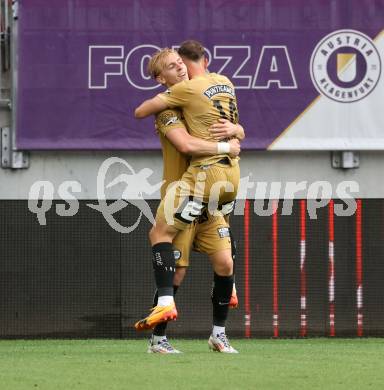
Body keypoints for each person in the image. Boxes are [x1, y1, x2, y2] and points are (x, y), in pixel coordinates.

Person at [134, 43, 242, 352]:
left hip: (207, 194)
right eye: (170, 66)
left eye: (179, 62)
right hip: (184, 189)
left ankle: (218, 335)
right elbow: (186, 145)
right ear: (160, 79)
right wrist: (227, 147)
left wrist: (236, 129)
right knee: (177, 269)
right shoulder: (167, 109)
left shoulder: (199, 100)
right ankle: (158, 338)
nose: (179, 66)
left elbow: (237, 132)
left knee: (224, 263)